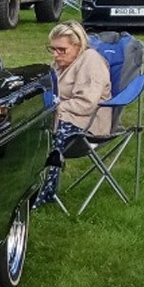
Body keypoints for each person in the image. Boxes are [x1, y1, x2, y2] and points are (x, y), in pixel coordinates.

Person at [33, 21, 112, 208]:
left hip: (88, 124)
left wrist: (54, 108)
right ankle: (26, 188)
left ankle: (45, 192)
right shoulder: (61, 64)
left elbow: (86, 103)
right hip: (65, 117)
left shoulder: (91, 60)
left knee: (45, 134)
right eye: (52, 49)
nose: (55, 54)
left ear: (78, 46)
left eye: (62, 49)